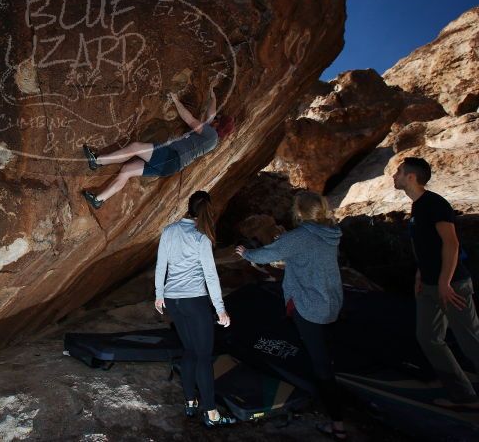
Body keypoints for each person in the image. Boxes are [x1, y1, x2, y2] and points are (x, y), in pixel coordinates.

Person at [235, 191, 346, 440]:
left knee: (321, 366)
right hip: (331, 302)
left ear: (298, 213)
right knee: (322, 353)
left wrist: (246, 254)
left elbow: (268, 254)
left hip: (310, 307)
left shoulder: (300, 236)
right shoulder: (331, 233)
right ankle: (322, 390)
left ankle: (337, 424)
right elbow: (302, 254)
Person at [392, 156, 479, 408]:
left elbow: (451, 244)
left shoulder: (435, 204)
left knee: (471, 340)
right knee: (428, 338)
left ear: (411, 176)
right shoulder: (417, 207)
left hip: (452, 286)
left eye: (398, 171)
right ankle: (463, 396)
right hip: (429, 286)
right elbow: (427, 246)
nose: (394, 175)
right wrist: (421, 274)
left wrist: (445, 282)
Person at [154, 190, 235, 428]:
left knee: (189, 350)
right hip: (195, 301)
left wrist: (159, 295)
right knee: (203, 356)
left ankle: (190, 402)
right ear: (206, 210)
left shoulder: (169, 231)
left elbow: (161, 265)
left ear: (188, 207)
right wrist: (220, 309)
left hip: (174, 301)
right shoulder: (201, 237)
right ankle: (212, 414)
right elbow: (210, 275)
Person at [81, 87, 235, 209]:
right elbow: (211, 114)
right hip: (171, 165)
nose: (214, 119)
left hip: (171, 156)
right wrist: (213, 97)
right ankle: (98, 200)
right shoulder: (212, 139)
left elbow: (189, 119)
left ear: (218, 125)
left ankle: (97, 161)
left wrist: (176, 100)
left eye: (217, 119)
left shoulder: (211, 134)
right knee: (127, 170)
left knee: (135, 147)